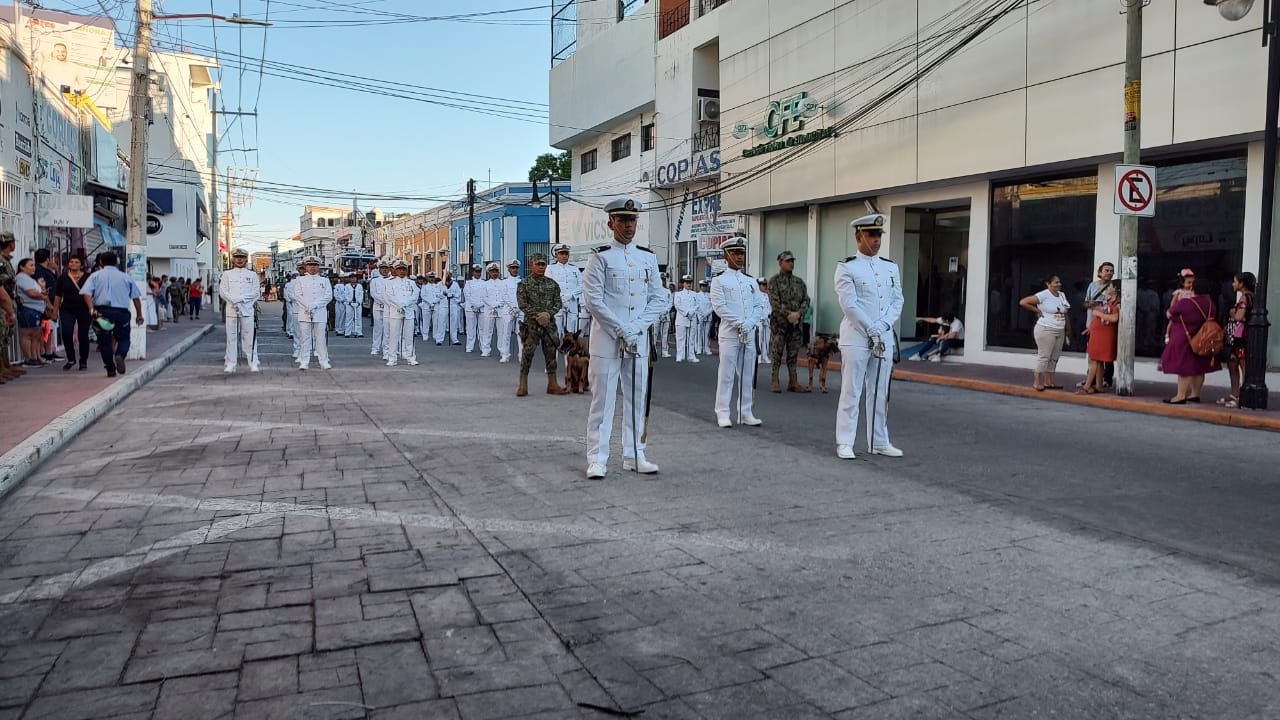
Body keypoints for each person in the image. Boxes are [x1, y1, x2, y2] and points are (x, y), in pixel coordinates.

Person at [582, 198, 667, 479]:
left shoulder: (648, 257)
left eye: (632, 220)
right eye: (623, 220)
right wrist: (621, 329)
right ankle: (597, 458)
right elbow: (594, 300)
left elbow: (658, 298)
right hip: (607, 340)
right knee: (603, 401)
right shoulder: (600, 257)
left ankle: (634, 454)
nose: (628, 226)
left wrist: (637, 328)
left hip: (638, 340)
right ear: (611, 223)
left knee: (637, 398)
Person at [834, 213, 904, 460]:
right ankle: (845, 441)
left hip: (882, 336)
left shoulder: (890, 266)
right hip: (856, 336)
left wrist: (883, 325)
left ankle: (878, 441)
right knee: (851, 390)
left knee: (880, 391)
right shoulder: (847, 266)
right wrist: (870, 328)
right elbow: (849, 304)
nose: (876, 240)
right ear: (859, 236)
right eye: (871, 235)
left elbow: (897, 301)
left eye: (879, 235)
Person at [710, 236, 768, 428]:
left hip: (749, 333)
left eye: (742, 253)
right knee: (726, 374)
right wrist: (740, 323)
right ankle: (723, 412)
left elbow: (760, 306)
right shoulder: (719, 280)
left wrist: (750, 323)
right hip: (730, 333)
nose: (739, 257)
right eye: (735, 253)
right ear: (726, 255)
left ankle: (745, 412)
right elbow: (720, 307)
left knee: (747, 374)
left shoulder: (750, 281)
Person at [80, 251, 144, 378]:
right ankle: (120, 354)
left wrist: (92, 309)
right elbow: (136, 297)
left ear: (100, 262)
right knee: (124, 338)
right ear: (116, 262)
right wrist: (139, 314)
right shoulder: (125, 277)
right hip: (121, 313)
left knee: (104, 341)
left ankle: (110, 369)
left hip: (101, 313)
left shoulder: (95, 276)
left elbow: (86, 293)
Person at [515, 253, 569, 396]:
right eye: (537, 264)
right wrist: (537, 315)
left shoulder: (552, 284)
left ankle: (552, 384)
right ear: (530, 265)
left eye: (543, 264)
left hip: (549, 325)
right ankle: (523, 384)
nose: (540, 267)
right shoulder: (524, 284)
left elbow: (558, 303)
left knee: (551, 354)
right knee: (528, 353)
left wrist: (548, 314)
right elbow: (522, 304)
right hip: (531, 325)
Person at [1161, 278, 1220, 404]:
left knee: (1184, 367)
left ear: (1193, 288)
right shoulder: (1210, 304)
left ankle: (1180, 395)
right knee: (1199, 367)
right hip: (1204, 338)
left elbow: (1169, 314)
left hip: (1185, 337)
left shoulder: (1185, 303)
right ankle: (1195, 394)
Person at [767, 249, 812, 391]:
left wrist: (798, 314)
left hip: (795, 325)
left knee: (793, 354)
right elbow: (775, 302)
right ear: (780, 263)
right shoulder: (774, 281)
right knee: (777, 353)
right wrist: (789, 315)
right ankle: (775, 380)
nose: (791, 263)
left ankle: (793, 382)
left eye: (792, 261)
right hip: (780, 325)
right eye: (788, 261)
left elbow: (806, 300)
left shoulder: (799, 282)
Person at [1019, 275, 1071, 392]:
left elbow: (1065, 312)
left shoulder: (1062, 295)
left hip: (1059, 329)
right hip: (1046, 329)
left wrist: (1068, 328)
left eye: (1059, 282)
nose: (1059, 284)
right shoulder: (1043, 295)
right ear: (1048, 284)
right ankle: (1037, 382)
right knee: (1044, 356)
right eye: (1055, 282)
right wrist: (1037, 310)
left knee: (1054, 357)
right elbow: (1023, 302)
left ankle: (1049, 381)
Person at [218, 247, 262, 373]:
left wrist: (241, 299)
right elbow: (223, 291)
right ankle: (231, 363)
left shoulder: (252, 275)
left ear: (246, 259)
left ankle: (252, 362)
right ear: (233, 259)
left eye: (242, 258)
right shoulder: (227, 274)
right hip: (231, 311)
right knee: (231, 338)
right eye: (237, 257)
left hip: (247, 310)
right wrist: (233, 300)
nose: (239, 260)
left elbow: (255, 293)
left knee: (250, 337)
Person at [1219, 271, 1256, 408]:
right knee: (1232, 364)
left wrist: (1231, 312)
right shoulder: (1250, 297)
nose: (1233, 284)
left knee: (1240, 364)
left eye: (1235, 281)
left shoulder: (1245, 298)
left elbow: (1239, 316)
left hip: (1240, 337)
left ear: (1242, 284)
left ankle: (1241, 396)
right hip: (1238, 337)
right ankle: (1235, 394)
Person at [292, 256, 333, 370]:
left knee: (320, 338)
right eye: (310, 265)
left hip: (319, 313)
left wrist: (315, 305)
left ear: (318, 267)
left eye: (315, 265)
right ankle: (304, 361)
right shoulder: (300, 280)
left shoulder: (324, 280)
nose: (312, 268)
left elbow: (328, 296)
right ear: (306, 267)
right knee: (305, 339)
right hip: (305, 313)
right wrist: (307, 305)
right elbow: (297, 295)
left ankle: (323, 361)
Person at [1080, 283, 1120, 394]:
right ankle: (1098, 385)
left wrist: (1098, 314)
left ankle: (1087, 386)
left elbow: (1114, 318)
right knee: (1098, 361)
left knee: (1094, 359)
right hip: (1098, 332)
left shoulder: (1117, 303)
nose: (1107, 289)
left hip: (1105, 335)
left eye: (1109, 287)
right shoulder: (1108, 302)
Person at [1081, 262, 1115, 387]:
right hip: (1092, 323)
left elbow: (1114, 306)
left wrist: (1098, 305)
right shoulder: (1092, 285)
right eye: (1106, 270)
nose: (1109, 273)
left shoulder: (1114, 288)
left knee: (1107, 354)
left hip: (1106, 324)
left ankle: (1106, 379)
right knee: (1093, 353)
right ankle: (1092, 378)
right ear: (1100, 272)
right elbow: (1085, 304)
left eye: (1111, 271)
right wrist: (1089, 304)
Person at [57, 256, 92, 371]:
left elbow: (93, 292)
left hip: (84, 309)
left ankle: (83, 360)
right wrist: (54, 311)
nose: (73, 264)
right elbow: (58, 295)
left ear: (81, 265)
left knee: (83, 335)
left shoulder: (88, 277)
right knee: (66, 333)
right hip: (67, 309)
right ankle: (71, 358)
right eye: (71, 262)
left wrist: (93, 308)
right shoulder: (63, 278)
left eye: (77, 262)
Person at [382, 260, 419, 366]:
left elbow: (415, 295)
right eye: (399, 269)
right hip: (395, 311)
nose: (402, 272)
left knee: (409, 335)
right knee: (394, 335)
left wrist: (405, 304)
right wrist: (399, 305)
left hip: (408, 312)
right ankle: (392, 358)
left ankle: (410, 357)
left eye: (404, 269)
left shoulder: (411, 283)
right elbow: (389, 296)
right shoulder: (390, 282)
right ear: (395, 271)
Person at [15, 258, 50, 367]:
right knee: (27, 334)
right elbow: (32, 293)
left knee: (36, 334)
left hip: (36, 310)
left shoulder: (29, 278)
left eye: (34, 265)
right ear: (22, 267)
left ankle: (35, 357)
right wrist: (43, 296)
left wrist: (42, 292)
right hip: (28, 309)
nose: (34, 268)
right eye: (31, 265)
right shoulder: (21, 277)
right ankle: (28, 358)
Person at [545, 243, 582, 339]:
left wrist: (570, 295)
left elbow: (581, 285)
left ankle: (568, 354)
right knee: (556, 334)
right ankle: (554, 354)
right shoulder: (550, 268)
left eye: (566, 254)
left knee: (571, 335)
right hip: (556, 304)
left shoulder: (574, 269)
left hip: (572, 304)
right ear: (556, 255)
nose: (564, 256)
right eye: (561, 254)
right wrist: (561, 297)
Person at [34, 249, 62, 362]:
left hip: (53, 301)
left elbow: (59, 282)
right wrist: (49, 304)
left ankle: (49, 350)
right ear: (47, 259)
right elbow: (42, 287)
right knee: (47, 327)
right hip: (47, 302)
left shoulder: (47, 270)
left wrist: (56, 269)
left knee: (51, 327)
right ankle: (46, 351)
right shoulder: (39, 270)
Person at [673, 275, 700, 362]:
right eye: (687, 282)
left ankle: (691, 355)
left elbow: (698, 304)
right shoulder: (678, 294)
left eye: (690, 282)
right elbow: (677, 305)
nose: (689, 284)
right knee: (680, 338)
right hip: (682, 318)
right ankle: (680, 355)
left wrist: (692, 312)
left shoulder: (695, 294)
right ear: (683, 283)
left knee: (691, 338)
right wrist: (687, 312)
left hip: (692, 318)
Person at [481, 262, 505, 358]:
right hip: (489, 310)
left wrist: (499, 304)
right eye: (492, 271)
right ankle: (486, 350)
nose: (494, 273)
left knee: (501, 332)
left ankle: (502, 350)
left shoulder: (503, 283)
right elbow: (484, 297)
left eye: (496, 271)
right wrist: (493, 305)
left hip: (501, 309)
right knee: (487, 331)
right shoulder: (485, 284)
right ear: (489, 273)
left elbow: (505, 296)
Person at [369, 258, 392, 356]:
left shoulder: (392, 280)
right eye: (382, 268)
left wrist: (387, 302)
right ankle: (375, 347)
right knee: (378, 328)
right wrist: (383, 301)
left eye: (386, 268)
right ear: (379, 269)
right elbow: (373, 294)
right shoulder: (374, 281)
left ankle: (386, 348)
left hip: (389, 307)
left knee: (388, 328)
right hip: (378, 307)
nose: (385, 270)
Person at [463, 264, 486, 353]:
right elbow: (467, 295)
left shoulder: (484, 283)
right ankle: (469, 347)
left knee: (482, 329)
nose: (478, 273)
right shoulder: (468, 283)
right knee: (470, 328)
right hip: (471, 308)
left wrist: (479, 305)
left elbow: (486, 296)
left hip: (482, 308)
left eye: (479, 271)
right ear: (473, 272)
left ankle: (483, 347)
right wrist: (475, 305)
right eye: (476, 271)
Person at [436, 272, 462, 346]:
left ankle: (454, 339)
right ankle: (439, 339)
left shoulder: (455, 284)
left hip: (453, 304)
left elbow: (459, 294)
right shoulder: (440, 284)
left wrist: (453, 295)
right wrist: (443, 294)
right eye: (446, 274)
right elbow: (437, 294)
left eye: (449, 275)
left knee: (453, 322)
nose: (447, 276)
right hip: (443, 305)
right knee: (441, 322)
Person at [418, 272, 442, 342]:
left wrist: (434, 302)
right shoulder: (424, 286)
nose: (432, 279)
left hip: (435, 305)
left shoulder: (437, 286)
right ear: (427, 278)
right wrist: (430, 303)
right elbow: (423, 296)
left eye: (433, 277)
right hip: (426, 306)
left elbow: (439, 296)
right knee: (426, 322)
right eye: (430, 277)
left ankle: (435, 335)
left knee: (436, 322)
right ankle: (425, 335)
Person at [755, 277, 771, 364]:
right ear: (759, 285)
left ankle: (765, 355)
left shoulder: (766, 295)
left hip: (767, 320)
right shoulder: (756, 296)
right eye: (763, 285)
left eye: (766, 285)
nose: (765, 286)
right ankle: (759, 356)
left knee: (766, 339)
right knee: (759, 339)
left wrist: (769, 314)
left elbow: (769, 307)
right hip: (759, 320)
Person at [696, 280, 713, 355]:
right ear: (700, 287)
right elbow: (696, 306)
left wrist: (707, 313)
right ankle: (699, 348)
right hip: (700, 316)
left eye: (706, 286)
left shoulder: (710, 295)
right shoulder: (697, 295)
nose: (704, 287)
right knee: (699, 333)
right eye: (703, 286)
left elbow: (713, 305)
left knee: (707, 333)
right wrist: (702, 313)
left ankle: (706, 348)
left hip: (708, 315)